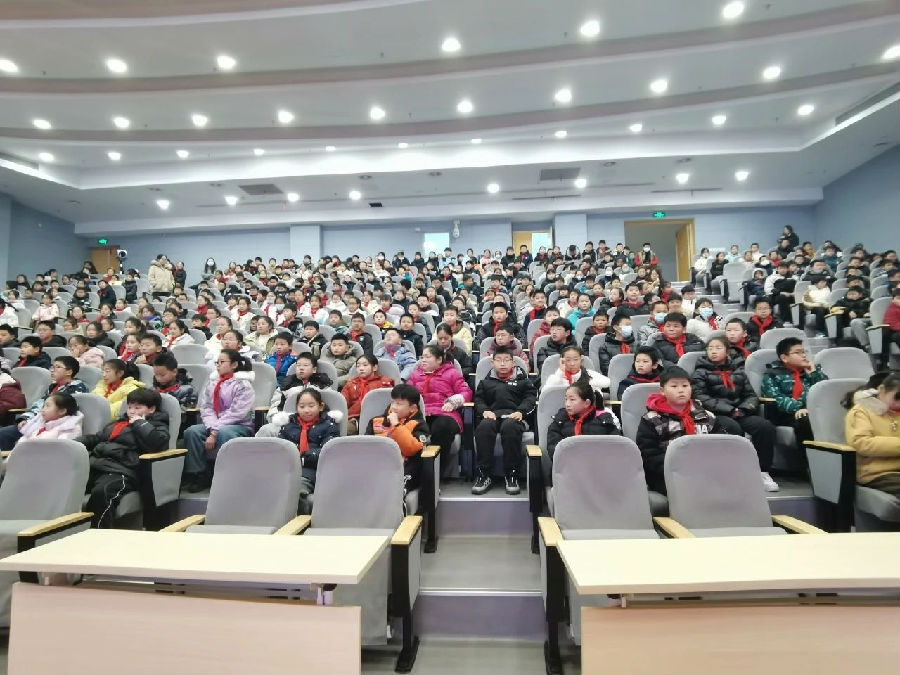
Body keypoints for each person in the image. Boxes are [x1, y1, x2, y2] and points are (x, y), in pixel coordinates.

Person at [691, 337, 779, 491]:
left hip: (740, 412)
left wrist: (743, 409)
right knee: (733, 429)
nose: (713, 351)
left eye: (718, 348)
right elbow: (700, 397)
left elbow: (751, 395)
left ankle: (762, 471)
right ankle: (738, 472)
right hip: (715, 414)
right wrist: (729, 410)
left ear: (727, 351)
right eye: (710, 348)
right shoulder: (700, 372)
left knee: (765, 427)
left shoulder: (738, 371)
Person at [79, 389, 170, 527]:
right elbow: (97, 438)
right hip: (96, 465)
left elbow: (157, 444)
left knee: (102, 492)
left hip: (123, 470)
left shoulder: (157, 425)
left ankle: (97, 535)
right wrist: (72, 442)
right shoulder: (118, 423)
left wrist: (140, 423)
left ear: (151, 409)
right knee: (65, 483)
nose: (131, 411)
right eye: (130, 407)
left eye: (137, 408)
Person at [636, 367, 719, 495]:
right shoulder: (652, 419)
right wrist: (681, 466)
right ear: (662, 391)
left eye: (685, 385)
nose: (681, 390)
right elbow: (648, 454)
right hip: (667, 473)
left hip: (704, 471)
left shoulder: (707, 416)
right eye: (674, 386)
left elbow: (719, 447)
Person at [182, 349, 255, 492]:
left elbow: (237, 413)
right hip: (215, 424)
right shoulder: (213, 384)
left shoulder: (243, 385)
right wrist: (212, 428)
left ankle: (227, 475)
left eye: (222, 362)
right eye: (217, 362)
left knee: (225, 433)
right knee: (192, 432)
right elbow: (207, 408)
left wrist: (215, 432)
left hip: (239, 425)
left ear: (234, 365)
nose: (218, 365)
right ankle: (200, 474)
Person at [471, 347, 537, 495]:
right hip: (492, 416)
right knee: (484, 427)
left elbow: (530, 399)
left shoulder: (523, 381)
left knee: (510, 427)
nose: (502, 363)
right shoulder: (485, 383)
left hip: (515, 417)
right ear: (492, 363)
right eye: (498, 360)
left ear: (513, 363)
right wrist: (484, 411)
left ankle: (511, 474)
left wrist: (521, 412)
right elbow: (479, 400)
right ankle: (484, 474)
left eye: (506, 360)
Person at [407, 345, 471, 477]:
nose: (423, 360)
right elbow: (406, 394)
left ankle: (434, 473)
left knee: (441, 427)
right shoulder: (415, 375)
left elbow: (466, 392)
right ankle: (412, 473)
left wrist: (453, 402)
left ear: (439, 359)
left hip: (445, 413)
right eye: (422, 357)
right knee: (411, 429)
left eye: (427, 357)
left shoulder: (452, 373)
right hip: (421, 414)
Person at [0, 356, 88, 450]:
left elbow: (67, 412)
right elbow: (39, 404)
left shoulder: (77, 388)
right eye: (52, 367)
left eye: (57, 367)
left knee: (4, 435)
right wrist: (26, 418)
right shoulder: (53, 386)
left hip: (52, 427)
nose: (52, 370)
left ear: (69, 372)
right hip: (37, 421)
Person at [761, 337, 828, 448]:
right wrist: (801, 408)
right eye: (798, 352)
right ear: (784, 358)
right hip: (787, 415)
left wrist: (813, 374)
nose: (804, 355)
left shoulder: (810, 371)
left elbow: (825, 393)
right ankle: (807, 457)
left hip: (812, 410)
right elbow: (778, 400)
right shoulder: (772, 375)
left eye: (804, 352)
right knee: (805, 420)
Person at [279, 388, 341, 505]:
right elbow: (280, 448)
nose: (306, 410)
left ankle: (301, 515)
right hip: (286, 470)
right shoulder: (288, 426)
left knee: (295, 491)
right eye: (302, 407)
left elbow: (328, 452)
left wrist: (301, 458)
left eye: (311, 406)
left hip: (312, 471)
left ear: (321, 406)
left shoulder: (329, 426)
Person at [365, 383, 431, 493]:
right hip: (377, 465)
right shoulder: (376, 421)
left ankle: (399, 495)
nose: (394, 407)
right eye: (392, 402)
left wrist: (396, 425)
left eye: (399, 404)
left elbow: (411, 449)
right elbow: (366, 447)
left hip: (403, 468)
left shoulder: (419, 425)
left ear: (412, 408)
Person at [844, 372, 900, 498]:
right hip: (877, 473)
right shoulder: (861, 411)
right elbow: (862, 443)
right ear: (881, 389)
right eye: (897, 396)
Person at [546, 380, 621, 462]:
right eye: (566, 399)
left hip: (600, 466)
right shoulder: (560, 421)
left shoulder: (604, 421)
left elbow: (617, 447)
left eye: (572, 399)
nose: (567, 404)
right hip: (568, 466)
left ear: (586, 403)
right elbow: (554, 450)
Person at [343, 354, 395, 435]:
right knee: (344, 430)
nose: (361, 368)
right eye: (358, 366)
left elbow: (389, 403)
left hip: (378, 418)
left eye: (365, 365)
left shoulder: (383, 382)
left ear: (375, 367)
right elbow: (343, 403)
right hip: (354, 419)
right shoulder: (351, 384)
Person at [17, 391, 84, 442]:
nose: (43, 410)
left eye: (47, 406)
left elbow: (59, 452)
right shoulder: (43, 423)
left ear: (62, 411)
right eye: (43, 406)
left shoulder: (70, 429)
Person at [544, 345, 609, 393]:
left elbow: (607, 382)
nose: (572, 364)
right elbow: (545, 391)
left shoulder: (588, 373)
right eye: (568, 360)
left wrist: (586, 383)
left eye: (575, 359)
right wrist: (560, 372)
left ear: (581, 361)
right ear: (562, 361)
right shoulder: (558, 376)